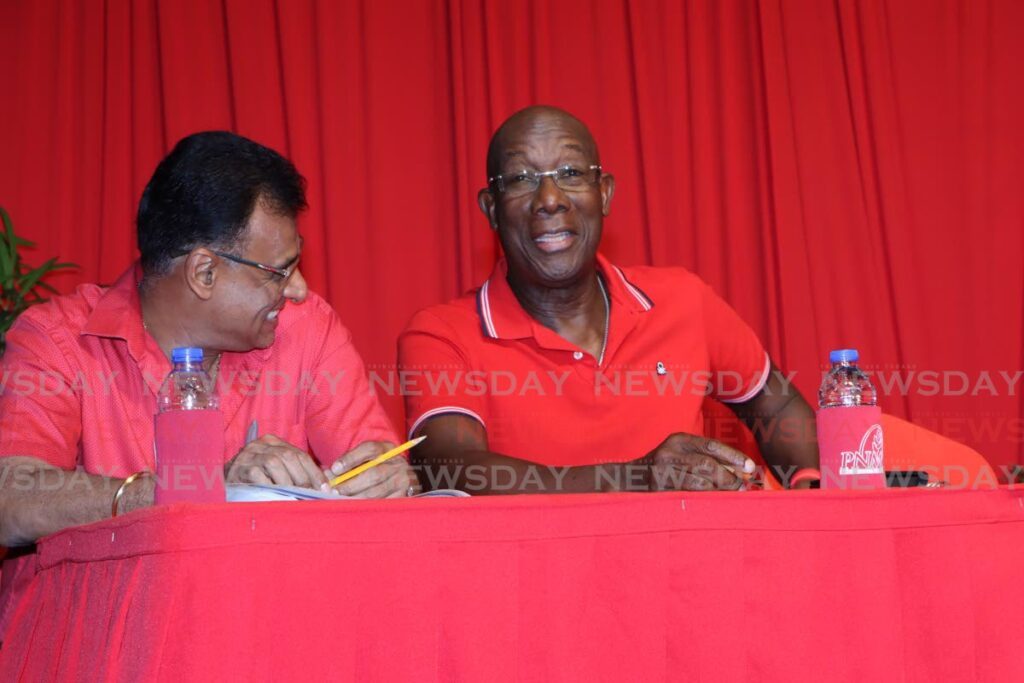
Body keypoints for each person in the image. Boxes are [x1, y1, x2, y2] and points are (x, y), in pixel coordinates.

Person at [0, 131, 419, 549]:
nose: (298, 290)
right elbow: (11, 499)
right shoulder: (59, 341)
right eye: (279, 272)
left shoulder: (305, 328)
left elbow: (373, 459)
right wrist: (192, 491)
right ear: (204, 273)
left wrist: (389, 479)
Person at [398, 106, 819, 494]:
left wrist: (810, 488)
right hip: (537, 574)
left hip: (690, 569)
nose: (549, 199)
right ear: (491, 209)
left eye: (571, 173)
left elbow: (778, 403)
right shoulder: (441, 334)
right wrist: (636, 476)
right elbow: (454, 469)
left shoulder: (683, 300)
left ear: (604, 194)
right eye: (521, 179)